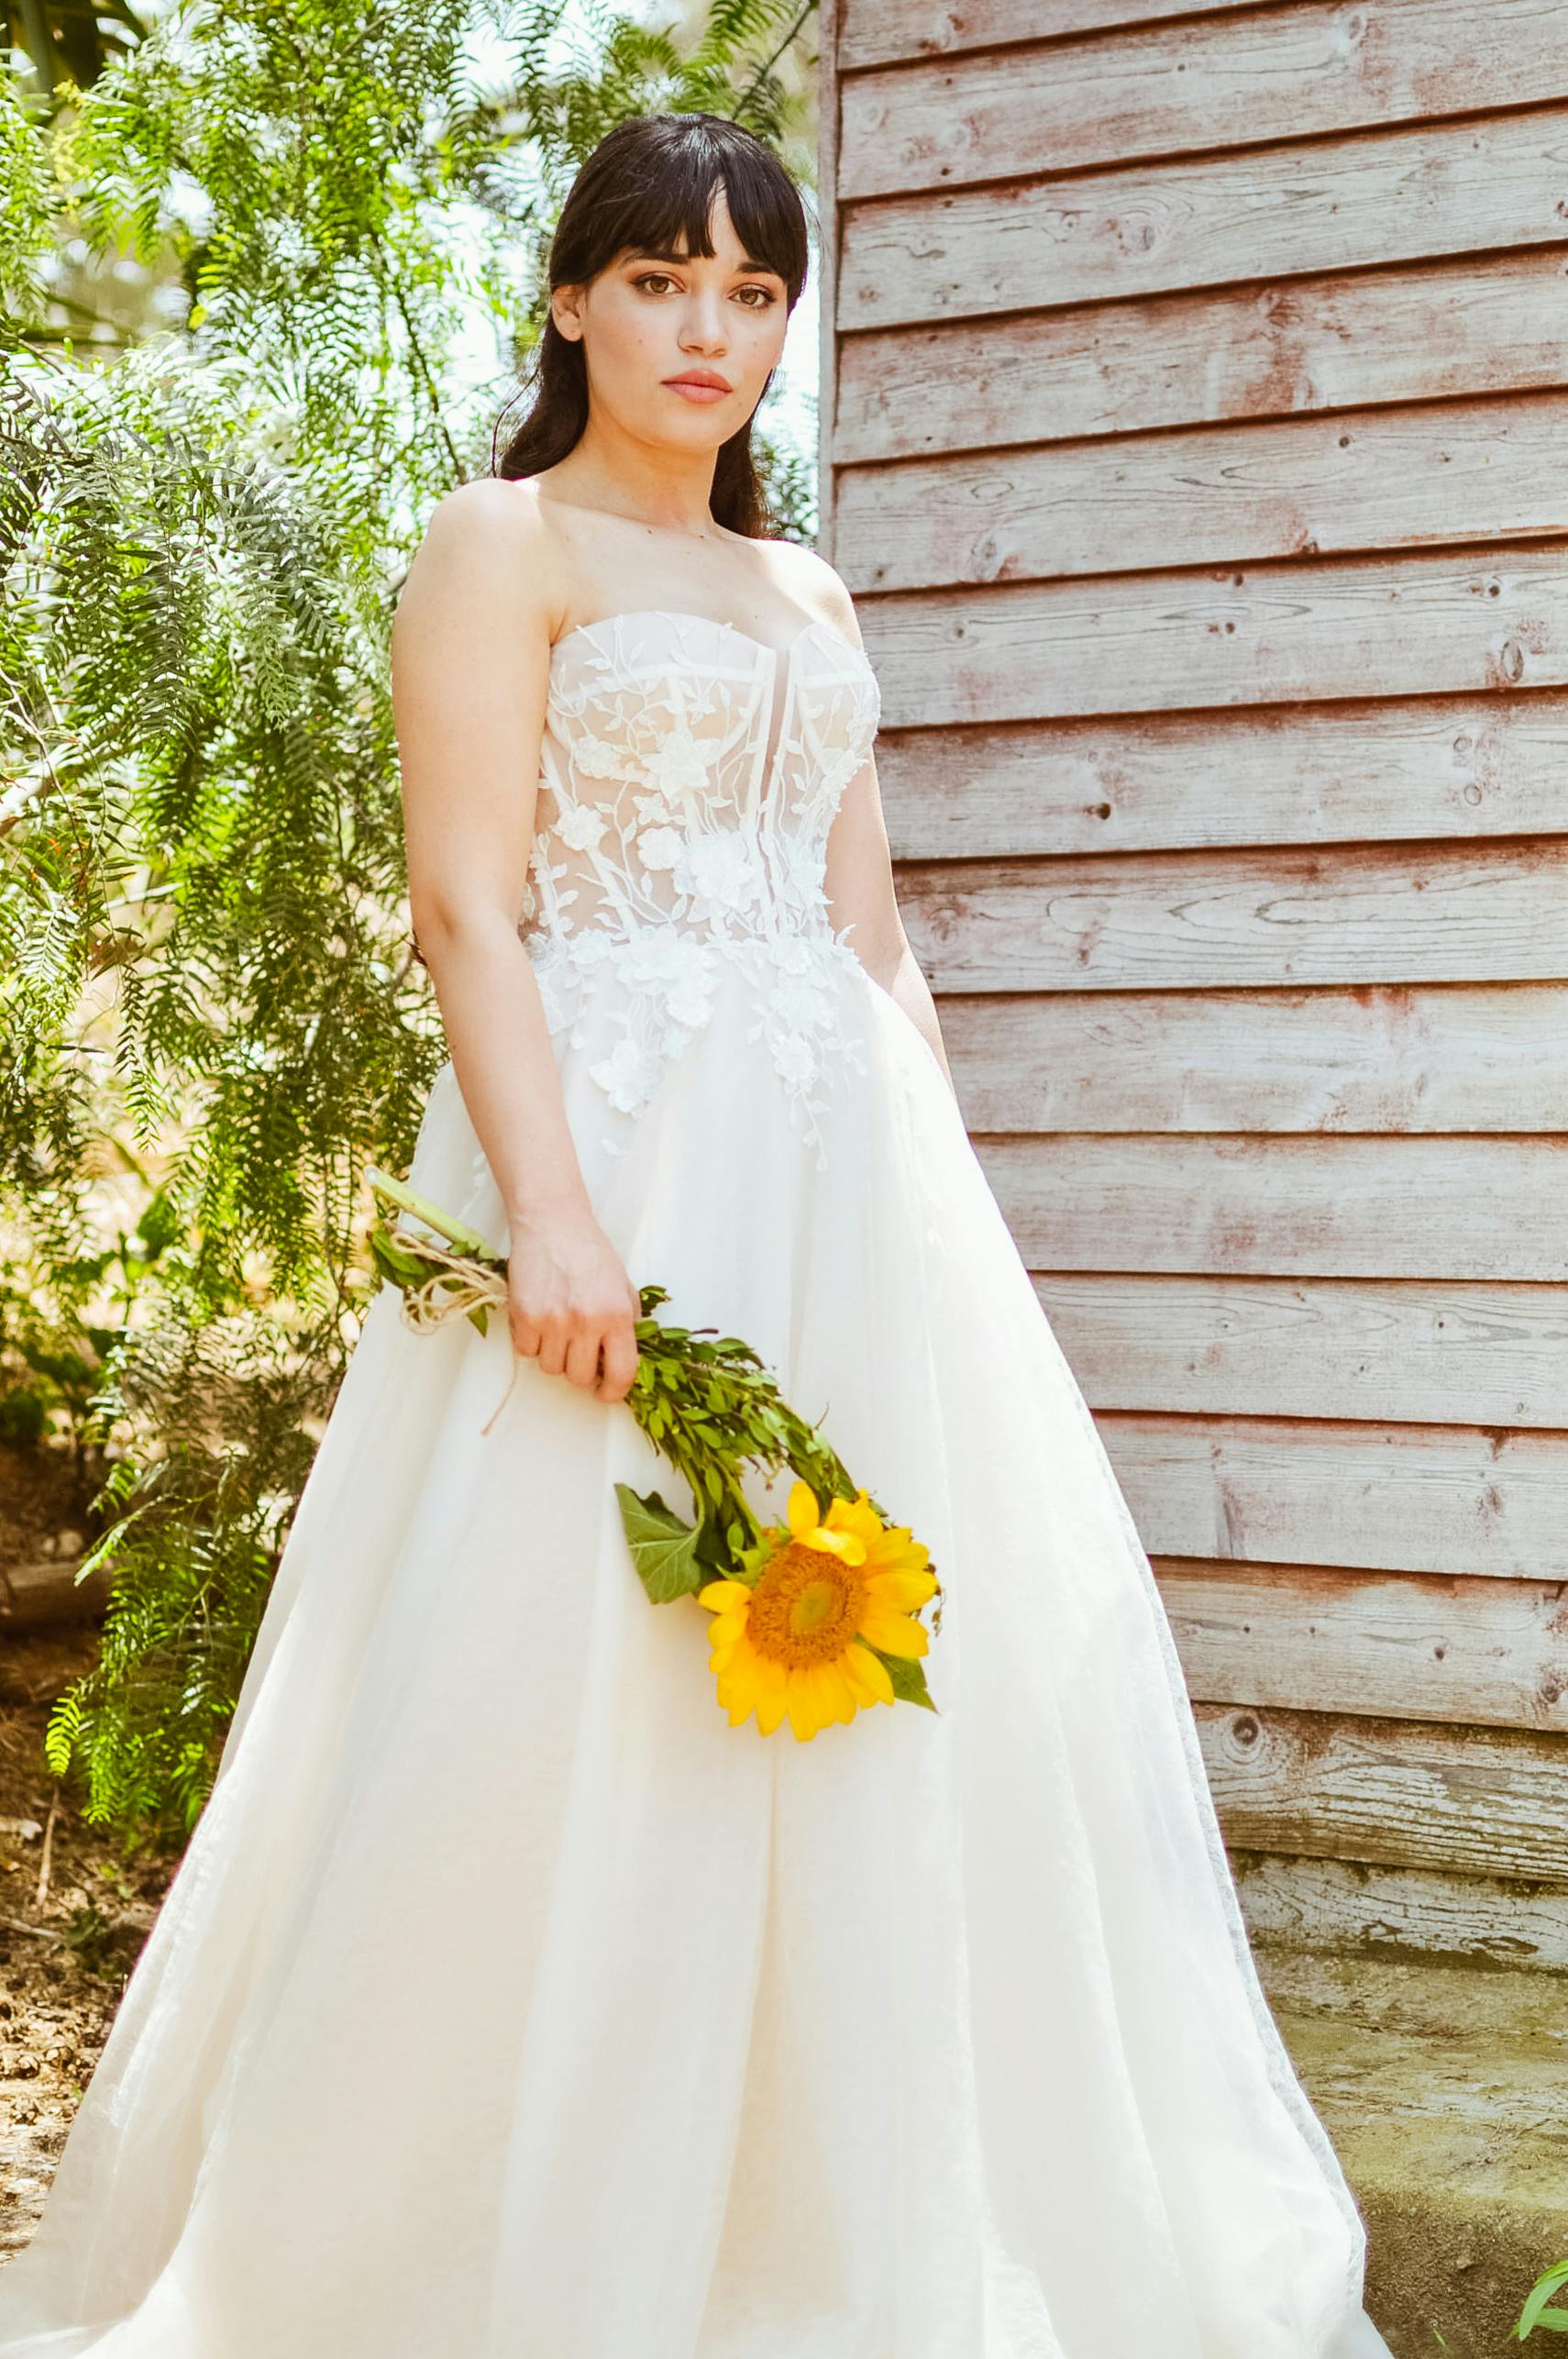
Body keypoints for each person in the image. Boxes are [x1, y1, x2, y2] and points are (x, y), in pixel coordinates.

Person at [0, 110, 1397, 2359]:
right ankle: (463, 2236)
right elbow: (468, 905)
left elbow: (872, 928)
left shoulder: (808, 587)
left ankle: (825, 2216)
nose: (710, 331)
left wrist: (937, 1206)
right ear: (573, 300)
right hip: (619, 1165)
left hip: (848, 1187)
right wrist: (555, 1216)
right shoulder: (501, 542)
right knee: (563, 1660)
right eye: (664, 279)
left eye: (757, 292)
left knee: (861, 1676)